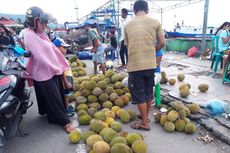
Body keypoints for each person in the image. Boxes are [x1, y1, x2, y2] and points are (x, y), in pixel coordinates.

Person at [22, 6, 75, 133]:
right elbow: (40, 56)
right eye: (42, 22)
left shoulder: (40, 34)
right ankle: (65, 122)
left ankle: (52, 117)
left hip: (50, 70)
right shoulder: (29, 35)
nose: (45, 25)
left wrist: (58, 66)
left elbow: (51, 49)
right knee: (54, 97)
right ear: (34, 21)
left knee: (57, 95)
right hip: (43, 71)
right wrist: (56, 67)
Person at [125, 0, 165, 131]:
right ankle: (145, 118)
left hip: (135, 65)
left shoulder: (128, 25)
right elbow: (162, 43)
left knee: (139, 94)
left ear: (134, 10)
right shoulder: (155, 22)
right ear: (147, 10)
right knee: (148, 93)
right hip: (150, 65)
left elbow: (128, 45)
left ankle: (145, 124)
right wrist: (152, 52)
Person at [53, 38, 75, 117]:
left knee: (67, 95)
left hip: (68, 77)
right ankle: (66, 110)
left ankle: (67, 107)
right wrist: (66, 82)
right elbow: (61, 72)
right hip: (65, 79)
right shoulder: (57, 58)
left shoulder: (61, 57)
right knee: (66, 95)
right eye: (64, 47)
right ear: (57, 48)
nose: (66, 49)